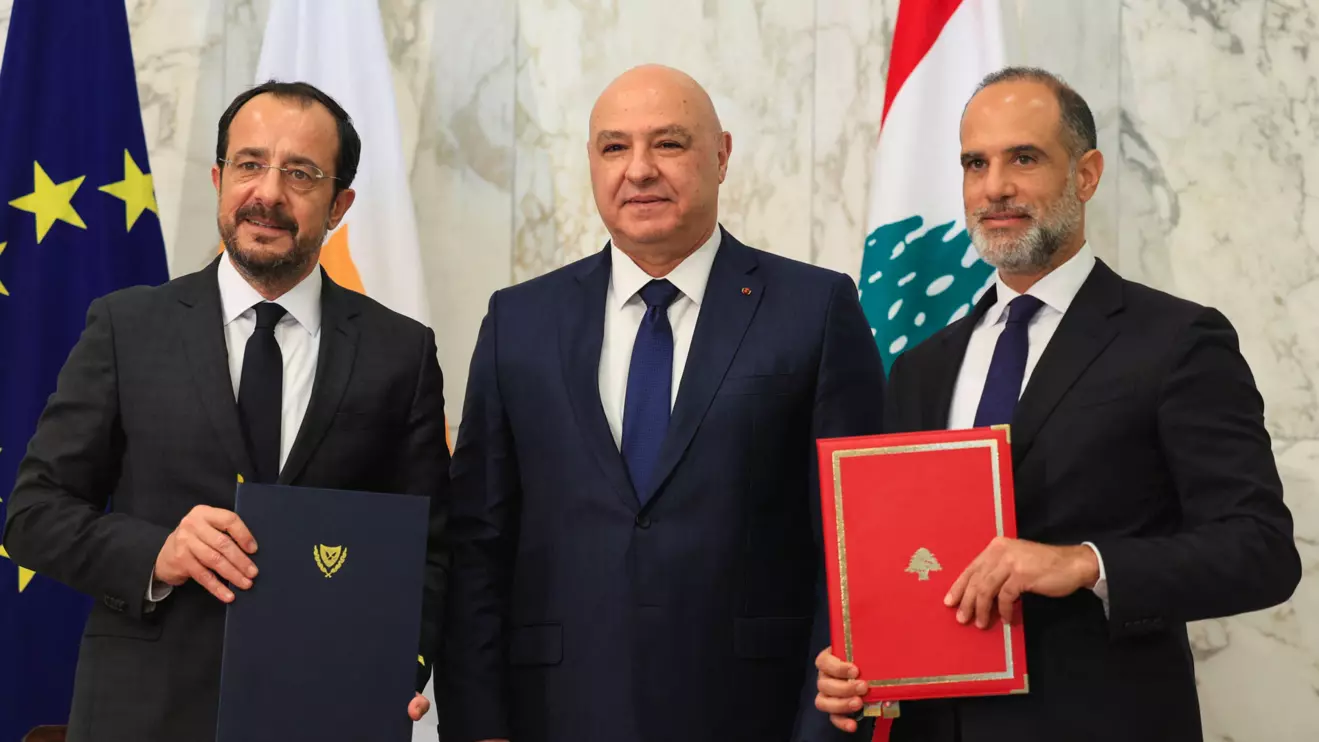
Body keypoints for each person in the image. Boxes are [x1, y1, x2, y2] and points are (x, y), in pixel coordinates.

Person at [814, 67, 1301, 742]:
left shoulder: (1176, 341)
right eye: (974, 163)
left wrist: (1083, 563)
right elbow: (906, 562)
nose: (994, 187)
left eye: (1024, 158)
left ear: (1087, 174)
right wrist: (862, 668)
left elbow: (1261, 551)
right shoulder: (921, 369)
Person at [438, 64, 885, 742]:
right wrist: (479, 725)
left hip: (750, 714)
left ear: (722, 155)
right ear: (591, 162)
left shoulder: (815, 310)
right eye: (615, 147)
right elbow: (478, 544)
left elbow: (853, 546)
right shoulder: (518, 322)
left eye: (668, 143)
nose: (639, 169)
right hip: (558, 714)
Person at [2, 81, 450, 741]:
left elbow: (428, 550)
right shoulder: (127, 327)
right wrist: (158, 551)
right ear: (218, 179)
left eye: (300, 174)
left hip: (326, 716)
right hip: (144, 715)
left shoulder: (399, 353)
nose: (267, 192)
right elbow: (32, 513)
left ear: (339, 204)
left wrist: (395, 670)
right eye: (249, 164)